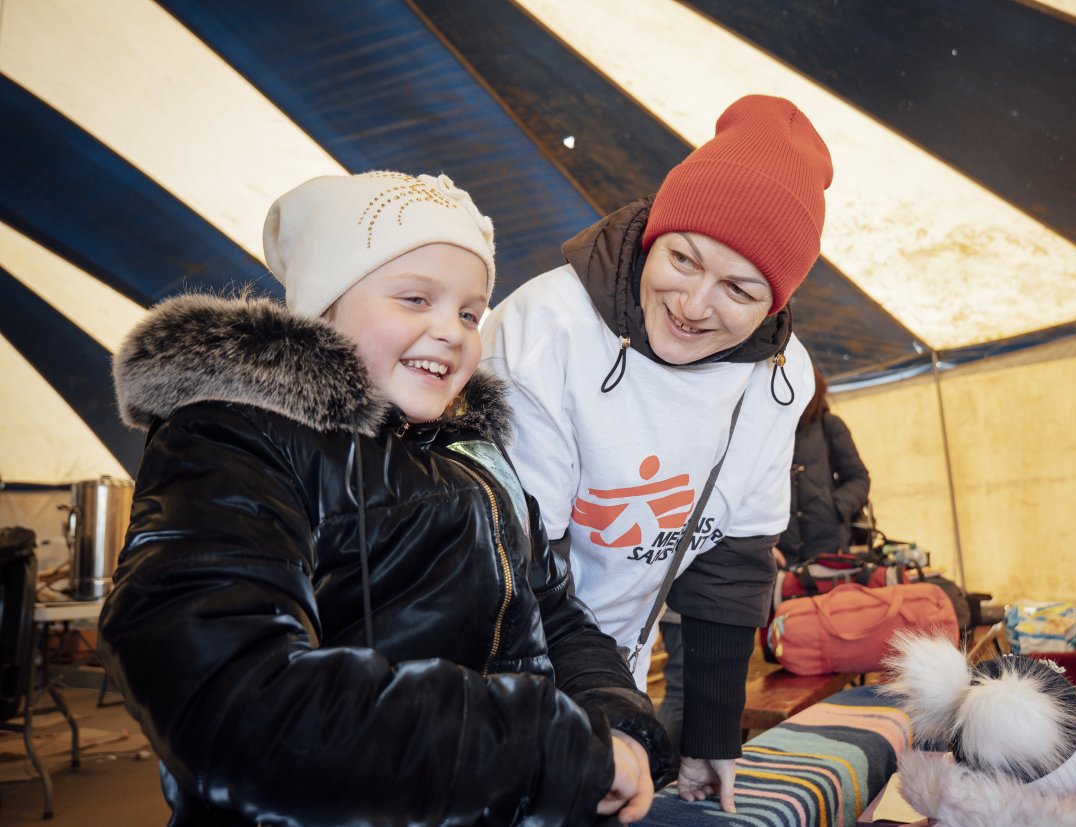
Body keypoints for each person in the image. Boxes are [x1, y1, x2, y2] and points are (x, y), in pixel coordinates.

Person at [97, 171, 672, 826]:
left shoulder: (474, 456)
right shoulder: (228, 441)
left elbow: (550, 609)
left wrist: (614, 719)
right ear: (324, 308)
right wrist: (543, 746)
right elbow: (231, 697)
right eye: (414, 298)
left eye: (468, 311)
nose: (452, 330)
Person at [482, 95, 833, 812]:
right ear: (654, 237)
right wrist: (598, 717)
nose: (695, 303)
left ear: (775, 303)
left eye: (738, 288)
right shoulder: (545, 330)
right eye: (683, 258)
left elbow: (733, 560)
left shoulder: (780, 373)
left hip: (621, 679)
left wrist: (708, 735)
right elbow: (516, 567)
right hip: (507, 669)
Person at [773, 366, 871, 569]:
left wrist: (834, 507)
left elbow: (859, 478)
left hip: (828, 550)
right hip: (783, 553)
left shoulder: (830, 425)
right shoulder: (771, 432)